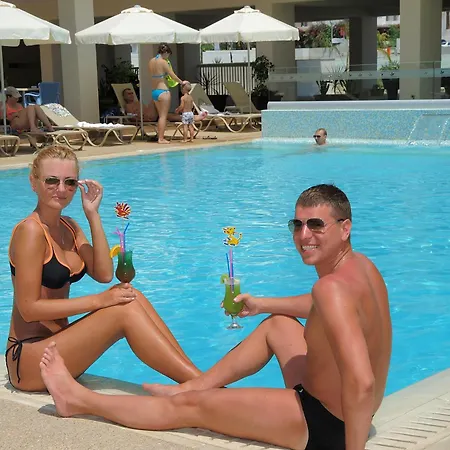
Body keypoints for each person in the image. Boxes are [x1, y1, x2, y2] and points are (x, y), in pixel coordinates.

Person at [39, 184, 392, 450]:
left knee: (190, 408)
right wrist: (263, 304)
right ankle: (194, 383)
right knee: (278, 323)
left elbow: (361, 382)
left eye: (316, 225)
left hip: (326, 424)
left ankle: (79, 401)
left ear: (345, 227)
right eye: (296, 224)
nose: (303, 236)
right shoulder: (362, 268)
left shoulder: (330, 289)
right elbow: (328, 307)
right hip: (344, 408)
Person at [6, 144, 201, 392]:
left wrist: (93, 214)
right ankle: (205, 387)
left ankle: (201, 381)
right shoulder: (30, 231)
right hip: (28, 359)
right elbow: (29, 309)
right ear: (34, 182)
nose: (61, 189)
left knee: (131, 296)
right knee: (122, 310)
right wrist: (100, 301)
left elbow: (104, 273)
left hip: (59, 347)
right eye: (51, 181)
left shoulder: (69, 227)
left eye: (70, 182)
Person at [148, 43, 188, 144]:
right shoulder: (163, 62)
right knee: (163, 116)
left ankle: (160, 136)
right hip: (163, 91)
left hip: (154, 91)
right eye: (168, 54)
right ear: (166, 52)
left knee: (160, 116)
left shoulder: (151, 61)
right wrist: (181, 82)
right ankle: (161, 138)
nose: (168, 57)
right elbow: (173, 76)